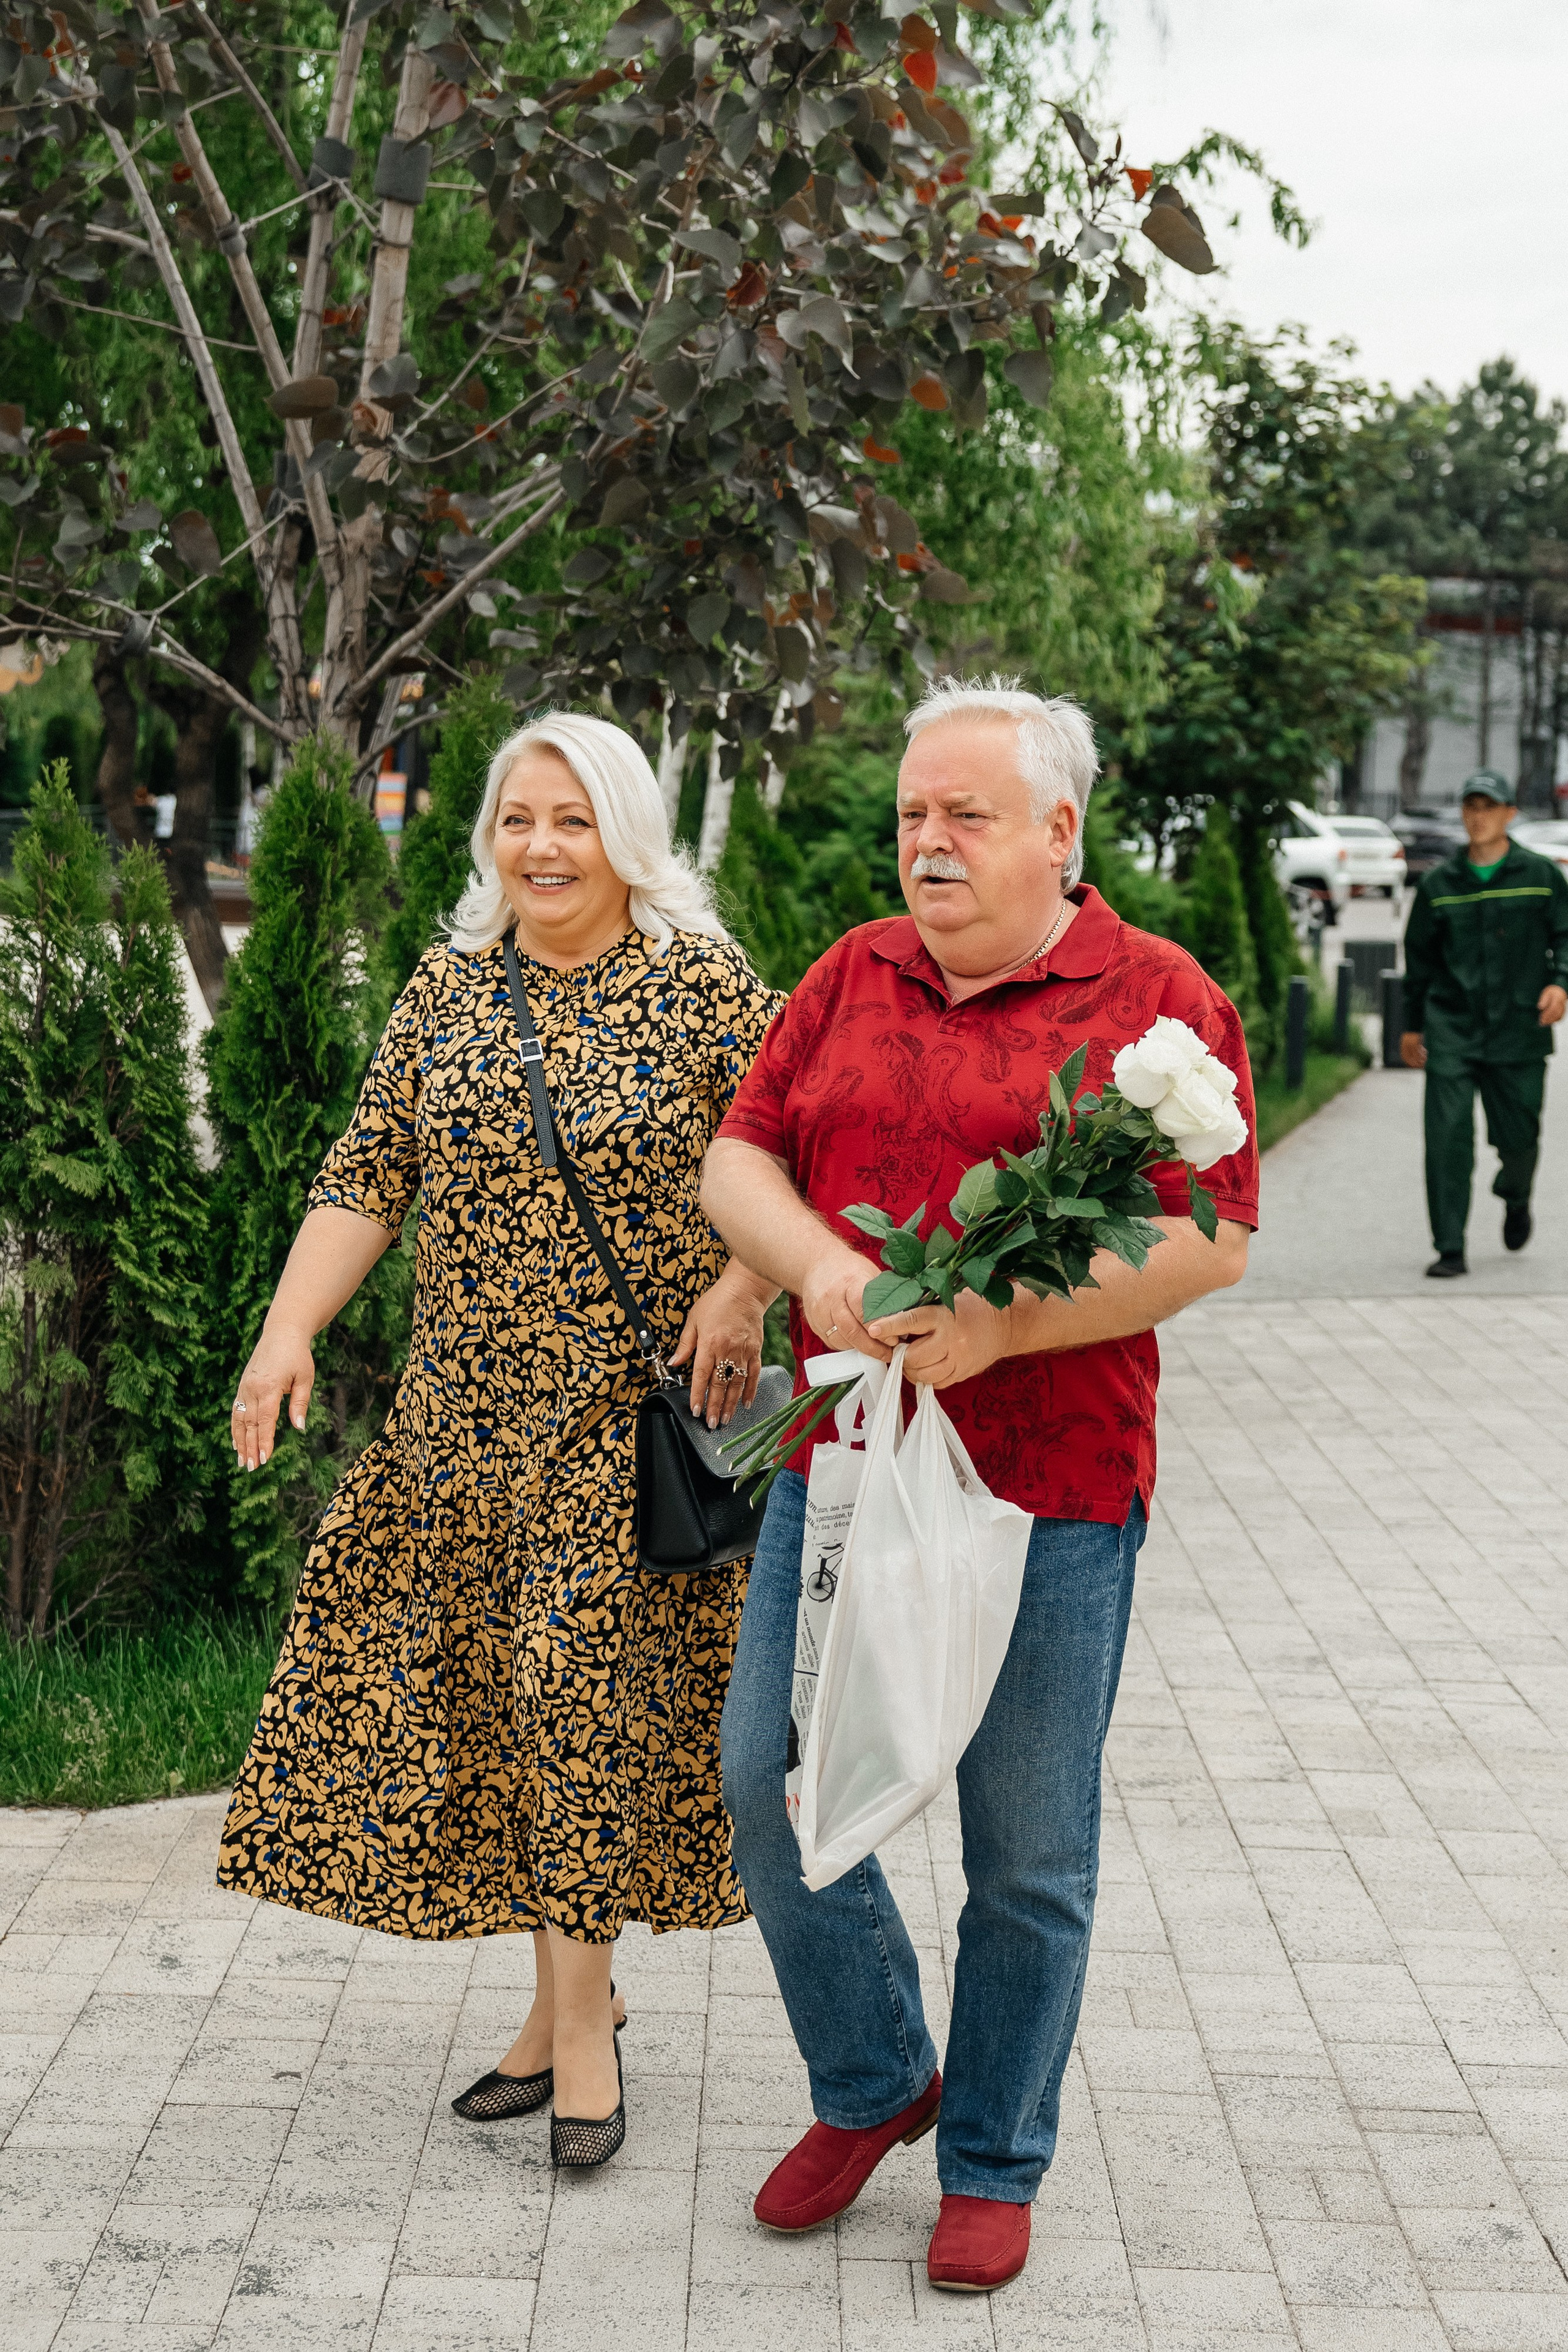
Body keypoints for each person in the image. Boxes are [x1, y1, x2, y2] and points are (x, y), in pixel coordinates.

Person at [702, 676, 1257, 2294]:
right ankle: (879, 2078)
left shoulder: (1156, 1000)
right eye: (911, 818)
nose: (927, 845)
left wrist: (1010, 1316)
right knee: (770, 1783)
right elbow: (740, 1156)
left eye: (966, 816)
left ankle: (994, 2155)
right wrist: (810, 1268)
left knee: (1025, 1848)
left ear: (1059, 832)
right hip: (844, 1461)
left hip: (1050, 1489)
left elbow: (1210, 1237)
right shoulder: (847, 975)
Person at [217, 712, 780, 2171]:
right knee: (510, 1723)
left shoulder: (704, 988)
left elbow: (794, 1157)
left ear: (627, 834)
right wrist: (288, 1332)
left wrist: (739, 1282)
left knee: (578, 1709)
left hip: (620, 1427)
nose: (539, 845)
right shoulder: (451, 987)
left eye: (572, 819)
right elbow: (369, 1168)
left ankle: (580, 2031)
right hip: (458, 1432)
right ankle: (552, 2012)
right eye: (519, 817)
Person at [1400, 769, 1568, 1278]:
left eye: (1488, 807)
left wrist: (1560, 981)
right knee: (1447, 1138)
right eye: (1470, 807)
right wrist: (1410, 1029)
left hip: (1520, 1029)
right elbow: (1420, 962)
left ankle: (1515, 1196)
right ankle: (1450, 1246)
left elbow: (1565, 936)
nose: (1478, 818)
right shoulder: (1438, 885)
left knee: (1520, 1142)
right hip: (1453, 1029)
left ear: (1510, 814)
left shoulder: (1541, 876)